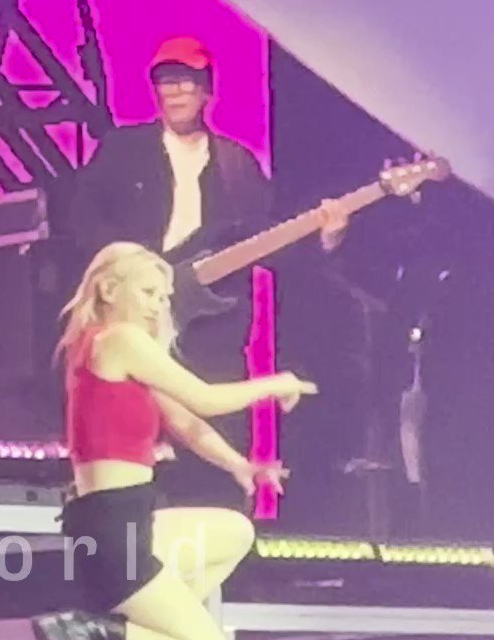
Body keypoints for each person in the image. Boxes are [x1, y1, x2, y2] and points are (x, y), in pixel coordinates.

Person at [64, 36, 345, 510]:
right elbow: (82, 221)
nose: (174, 91)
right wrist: (135, 268)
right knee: (142, 425)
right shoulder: (124, 149)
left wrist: (326, 237)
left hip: (213, 322)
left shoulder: (237, 164)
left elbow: (265, 245)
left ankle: (225, 515)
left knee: (212, 433)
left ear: (207, 91)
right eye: (165, 81)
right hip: (141, 307)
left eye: (186, 82)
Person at [29, 242, 315, 640]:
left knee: (237, 532)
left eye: (163, 298)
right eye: (148, 293)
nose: (158, 307)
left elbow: (186, 422)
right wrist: (277, 383)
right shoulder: (119, 340)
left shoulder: (112, 351)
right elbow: (205, 398)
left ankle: (140, 626)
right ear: (108, 290)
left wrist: (239, 465)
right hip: (115, 532)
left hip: (124, 523)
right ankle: (103, 630)